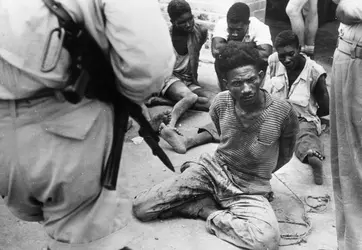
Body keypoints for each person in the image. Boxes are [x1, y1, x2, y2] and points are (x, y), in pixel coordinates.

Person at [0, 0, 175, 249]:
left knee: (61, 230)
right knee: (87, 234)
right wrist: (122, 94)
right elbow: (148, 66)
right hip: (70, 126)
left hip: (6, 138)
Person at [133, 42, 299, 250]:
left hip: (250, 188)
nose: (247, 89)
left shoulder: (283, 112)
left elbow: (285, 154)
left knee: (266, 240)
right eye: (237, 83)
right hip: (212, 170)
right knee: (143, 207)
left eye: (251, 79)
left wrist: (259, 176)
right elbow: (222, 134)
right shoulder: (220, 103)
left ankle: (204, 210)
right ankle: (198, 179)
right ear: (225, 83)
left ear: (261, 75)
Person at [262, 30, 329, 185]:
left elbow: (325, 108)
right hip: (275, 114)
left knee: (306, 136)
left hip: (301, 118)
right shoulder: (273, 61)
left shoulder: (315, 71)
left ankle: (314, 159)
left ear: (299, 49)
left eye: (291, 53)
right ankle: (201, 136)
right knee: (243, 119)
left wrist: (308, 119)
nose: (286, 59)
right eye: (282, 56)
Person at [152, 0, 213, 152]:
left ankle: (167, 100)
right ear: (172, 22)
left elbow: (196, 51)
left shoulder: (201, 31)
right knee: (190, 97)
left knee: (212, 103)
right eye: (182, 22)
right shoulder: (162, 36)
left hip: (188, 79)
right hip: (169, 77)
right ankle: (169, 127)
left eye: (190, 18)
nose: (188, 24)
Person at [329, 0, 362, 249]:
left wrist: (345, 8)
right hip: (347, 53)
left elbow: (347, 9)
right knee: (345, 160)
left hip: (357, 60)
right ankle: (351, 243)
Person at [212, 2, 273, 91]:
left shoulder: (260, 27)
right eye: (231, 29)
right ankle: (226, 93)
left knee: (263, 63)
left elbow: (265, 55)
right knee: (219, 60)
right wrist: (251, 47)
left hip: (251, 65)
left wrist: (231, 45)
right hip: (232, 63)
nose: (235, 33)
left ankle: (255, 92)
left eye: (239, 29)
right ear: (227, 22)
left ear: (248, 24)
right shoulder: (222, 24)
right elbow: (216, 51)